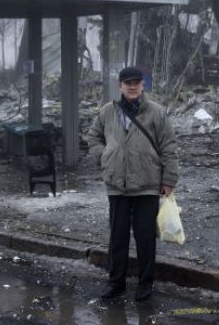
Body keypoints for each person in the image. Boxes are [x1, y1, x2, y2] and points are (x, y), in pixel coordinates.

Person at [87, 66, 179, 302]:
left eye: (136, 82)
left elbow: (169, 147)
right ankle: (116, 283)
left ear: (142, 85)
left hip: (147, 184)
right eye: (127, 82)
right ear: (120, 86)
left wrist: (168, 180)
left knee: (145, 237)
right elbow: (93, 136)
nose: (132, 86)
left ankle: (145, 284)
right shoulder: (108, 111)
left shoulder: (156, 112)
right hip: (117, 184)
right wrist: (104, 156)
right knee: (117, 237)